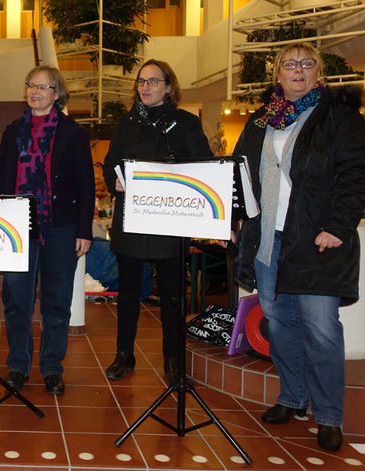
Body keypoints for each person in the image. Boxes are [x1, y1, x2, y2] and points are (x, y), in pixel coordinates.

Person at [232, 43, 365, 452]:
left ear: (318, 73)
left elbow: (356, 174)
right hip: (268, 241)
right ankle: (293, 397)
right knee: (279, 323)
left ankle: (328, 416)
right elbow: (241, 173)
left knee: (322, 329)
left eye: (306, 64)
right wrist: (238, 221)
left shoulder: (337, 116)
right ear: (278, 74)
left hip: (317, 241)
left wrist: (338, 226)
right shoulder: (262, 120)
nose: (298, 70)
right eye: (289, 64)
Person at [102, 60, 212, 385]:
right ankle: (124, 354)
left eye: (153, 81)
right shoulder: (125, 123)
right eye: (141, 81)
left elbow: (204, 167)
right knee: (128, 293)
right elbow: (111, 164)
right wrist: (114, 181)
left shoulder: (186, 124)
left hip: (170, 222)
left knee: (172, 296)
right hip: (132, 221)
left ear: (168, 86)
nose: (145, 87)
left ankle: (174, 361)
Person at [0, 65, 95, 395]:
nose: (34, 91)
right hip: (18, 227)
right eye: (30, 85)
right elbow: (1, 183)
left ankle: (52, 367)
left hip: (61, 226)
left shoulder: (74, 133)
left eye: (42, 86)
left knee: (57, 301)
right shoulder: (12, 132)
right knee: (16, 300)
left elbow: (86, 185)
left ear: (56, 93)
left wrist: (84, 230)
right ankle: (19, 366)